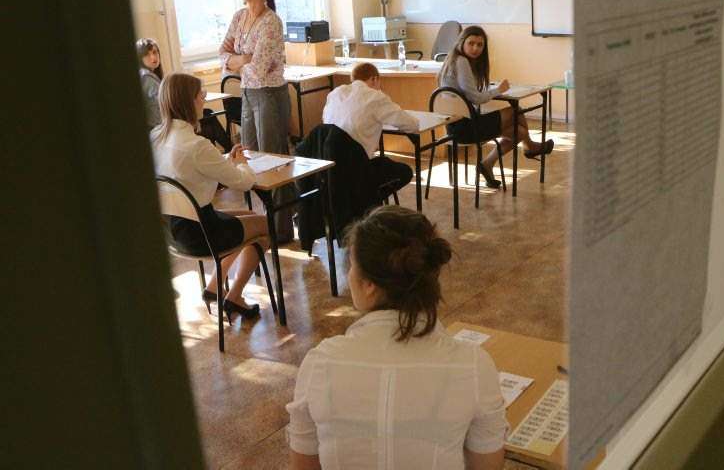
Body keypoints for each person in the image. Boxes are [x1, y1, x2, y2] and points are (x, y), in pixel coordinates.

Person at [286, 205, 508, 470]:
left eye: (352, 266)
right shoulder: (473, 366)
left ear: (369, 285)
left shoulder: (319, 364)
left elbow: (303, 465)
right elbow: (487, 465)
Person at [151, 72, 268, 322]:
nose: (204, 100)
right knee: (265, 227)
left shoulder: (155, 138)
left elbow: (192, 171)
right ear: (189, 102)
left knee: (249, 216)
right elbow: (245, 182)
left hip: (171, 230)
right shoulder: (197, 146)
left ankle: (214, 287)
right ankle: (234, 296)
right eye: (201, 95)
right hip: (201, 234)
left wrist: (227, 163)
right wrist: (241, 163)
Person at [219, 0, 294, 242]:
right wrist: (243, 59)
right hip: (248, 93)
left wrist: (237, 61)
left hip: (270, 94)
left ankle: (282, 228)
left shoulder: (271, 21)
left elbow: (260, 69)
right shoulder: (239, 17)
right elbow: (222, 54)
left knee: (273, 162)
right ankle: (266, 219)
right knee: (249, 157)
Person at [438, 25, 554, 189]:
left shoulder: (452, 59)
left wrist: (488, 91)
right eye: (471, 43)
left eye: (480, 45)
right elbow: (475, 98)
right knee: (515, 110)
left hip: (454, 128)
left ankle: (487, 164)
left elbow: (469, 93)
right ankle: (530, 147)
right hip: (466, 128)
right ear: (461, 42)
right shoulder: (461, 61)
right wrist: (499, 90)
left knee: (519, 132)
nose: (475, 48)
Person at [322, 62, 418, 195]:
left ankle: (362, 198)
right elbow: (410, 124)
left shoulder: (335, 93)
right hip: (357, 166)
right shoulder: (375, 97)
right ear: (374, 79)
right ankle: (368, 199)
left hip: (328, 166)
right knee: (405, 171)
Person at [136, 37, 163, 129]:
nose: (153, 57)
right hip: (155, 128)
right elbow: (162, 104)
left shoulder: (144, 74)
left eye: (155, 52)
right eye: (147, 54)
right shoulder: (146, 77)